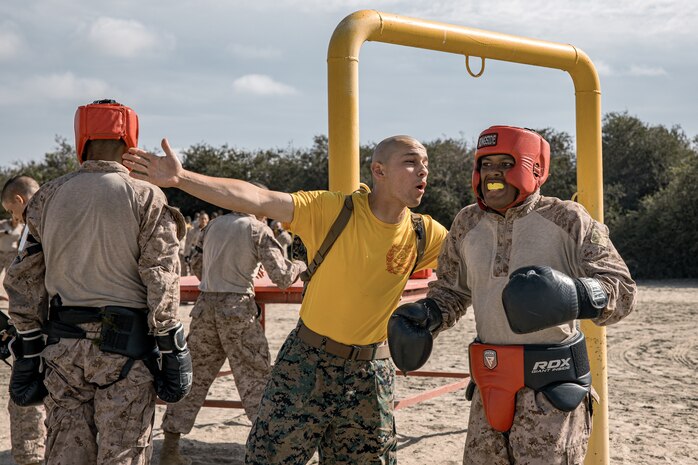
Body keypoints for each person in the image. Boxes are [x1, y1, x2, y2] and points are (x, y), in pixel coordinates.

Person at [123, 134, 448, 464]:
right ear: (378, 170)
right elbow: (259, 198)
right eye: (410, 161)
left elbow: (471, 260)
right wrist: (181, 178)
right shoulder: (333, 210)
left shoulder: (426, 233)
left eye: (426, 164)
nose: (422, 170)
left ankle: (174, 439)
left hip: (370, 375)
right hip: (308, 363)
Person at [388, 126, 637, 465]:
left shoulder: (567, 218)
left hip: (551, 394)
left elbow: (621, 290)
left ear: (534, 167)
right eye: (486, 164)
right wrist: (429, 314)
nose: (493, 173)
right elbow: (451, 291)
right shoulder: (466, 222)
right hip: (489, 387)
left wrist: (575, 295)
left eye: (505, 163)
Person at [3, 99, 193, 465]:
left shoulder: (47, 197)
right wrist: (171, 343)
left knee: (65, 453)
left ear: (82, 139)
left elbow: (23, 279)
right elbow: (162, 277)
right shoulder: (146, 197)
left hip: (64, 350)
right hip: (126, 350)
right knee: (122, 454)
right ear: (130, 140)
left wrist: (28, 342)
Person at [159, 189, 307, 465]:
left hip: (205, 307)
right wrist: (299, 264)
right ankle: (268, 451)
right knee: (256, 378)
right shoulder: (257, 230)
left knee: (193, 378)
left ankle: (170, 449)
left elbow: (196, 263)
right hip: (237, 309)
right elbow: (283, 277)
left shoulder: (213, 225)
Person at [1, 175, 46, 465]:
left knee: (26, 403)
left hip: (39, 328)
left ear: (20, 200)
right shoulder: (66, 214)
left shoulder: (39, 225)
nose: (12, 217)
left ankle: (31, 459)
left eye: (10, 210)